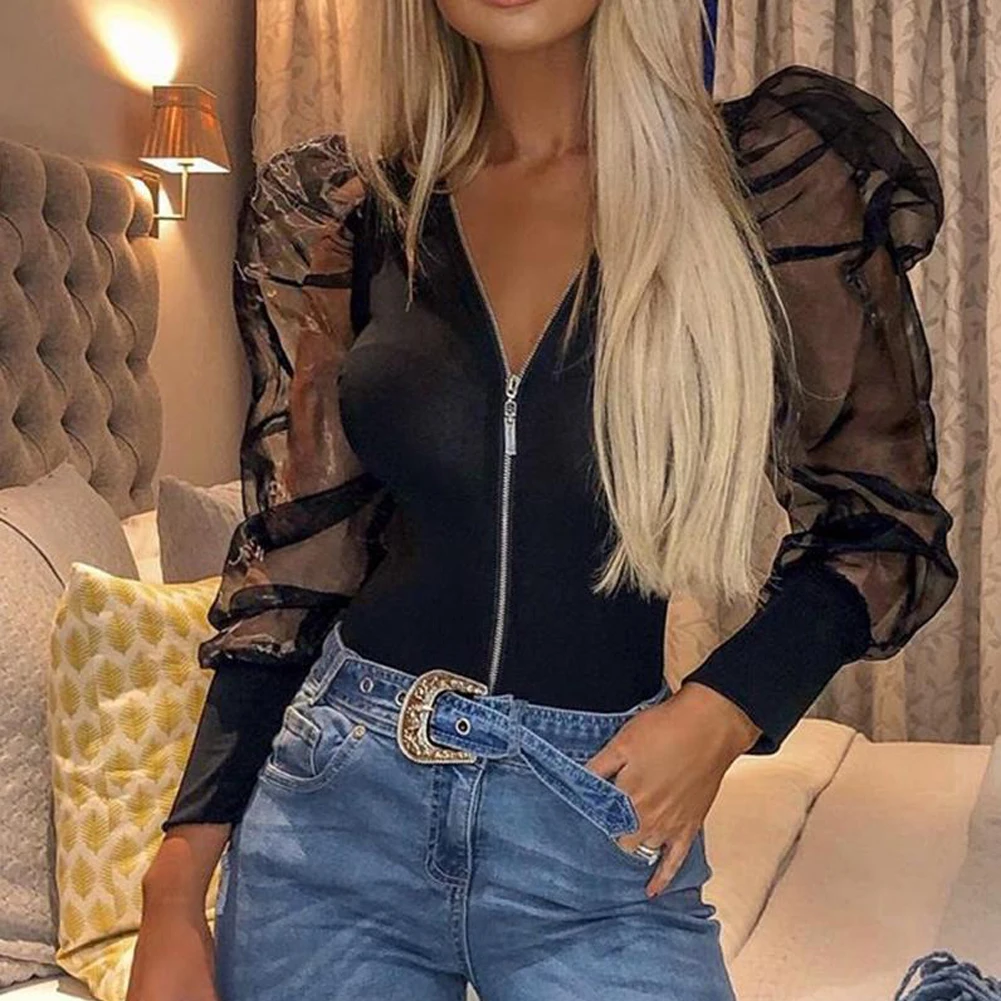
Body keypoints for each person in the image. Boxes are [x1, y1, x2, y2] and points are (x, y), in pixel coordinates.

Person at [128, 1, 959, 999]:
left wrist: (726, 707)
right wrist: (174, 884)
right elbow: (297, 564)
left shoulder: (760, 188)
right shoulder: (355, 209)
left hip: (591, 822)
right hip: (336, 814)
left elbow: (879, 523)